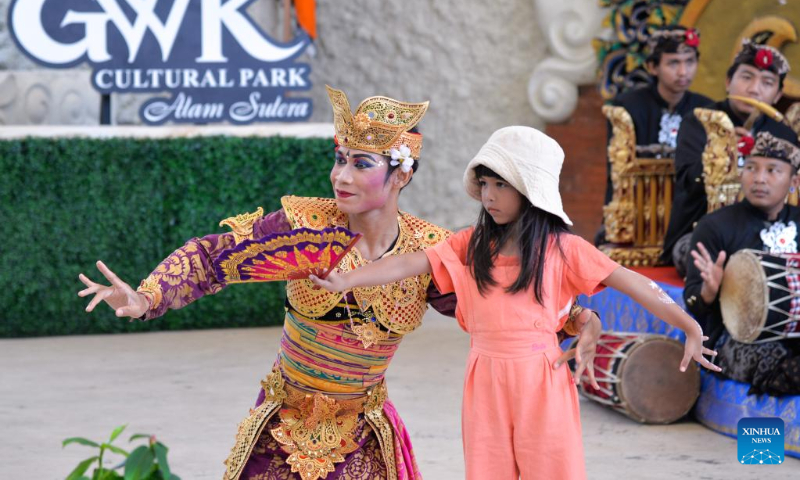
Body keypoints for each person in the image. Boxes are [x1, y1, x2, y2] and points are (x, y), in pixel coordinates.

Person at [77, 87, 599, 480]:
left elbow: (497, 306)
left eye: (361, 164)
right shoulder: (304, 228)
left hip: (364, 430)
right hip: (283, 420)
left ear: (401, 175)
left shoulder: (430, 250)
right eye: (339, 159)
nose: (340, 176)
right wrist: (146, 296)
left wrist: (577, 319)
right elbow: (215, 259)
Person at [311, 126, 720, 480]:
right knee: (488, 469)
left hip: (541, 378)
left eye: (501, 184)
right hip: (484, 378)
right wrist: (345, 279)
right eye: (484, 184)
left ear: (530, 189)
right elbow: (405, 264)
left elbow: (633, 283)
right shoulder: (469, 245)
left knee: (549, 468)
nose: (488, 195)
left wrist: (689, 325)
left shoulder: (564, 249)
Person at [662, 39, 797, 269]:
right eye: (746, 77)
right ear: (728, 81)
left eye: (767, 82)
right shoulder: (700, 121)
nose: (754, 88)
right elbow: (689, 181)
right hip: (702, 231)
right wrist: (721, 150)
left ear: (778, 94)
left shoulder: (782, 132)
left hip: (771, 233)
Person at [687, 131, 800, 396]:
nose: (759, 178)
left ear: (793, 180)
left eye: (772, 170)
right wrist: (709, 292)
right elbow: (692, 300)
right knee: (787, 368)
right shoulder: (714, 226)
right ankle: (761, 437)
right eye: (751, 168)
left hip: (795, 332)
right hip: (733, 339)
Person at [602, 26, 711, 206]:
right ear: (653, 67)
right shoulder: (627, 108)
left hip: (689, 209)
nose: (683, 71)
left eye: (690, 61)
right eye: (673, 63)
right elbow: (617, 170)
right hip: (638, 204)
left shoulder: (706, 110)